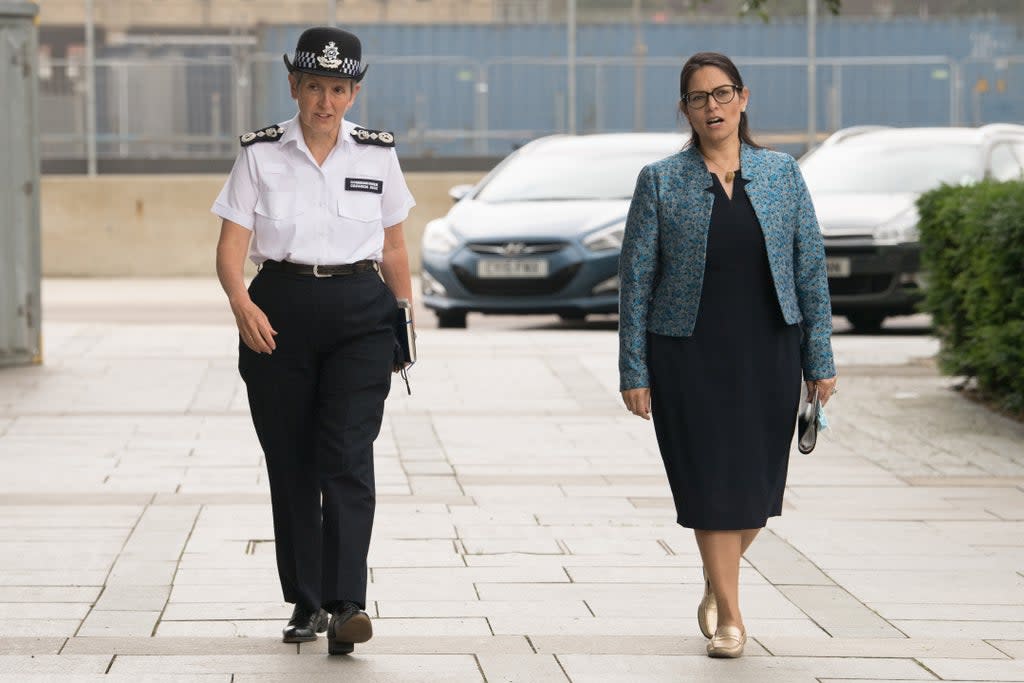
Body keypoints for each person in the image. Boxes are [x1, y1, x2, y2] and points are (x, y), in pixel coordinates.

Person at [618, 52, 837, 658]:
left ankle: (718, 580)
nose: (711, 107)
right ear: (684, 110)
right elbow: (636, 281)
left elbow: (809, 268)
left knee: (759, 489)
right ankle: (732, 618)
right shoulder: (661, 180)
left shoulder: (782, 174)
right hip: (687, 352)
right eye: (697, 98)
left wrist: (820, 359)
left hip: (771, 348)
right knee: (711, 482)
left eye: (721, 94)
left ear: (743, 98)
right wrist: (633, 369)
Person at [211, 26, 415, 656]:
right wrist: (241, 303)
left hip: (360, 313)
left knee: (348, 455)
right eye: (314, 87)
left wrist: (403, 320)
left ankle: (348, 602)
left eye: (338, 88)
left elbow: (395, 245)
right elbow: (230, 249)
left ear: (353, 93)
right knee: (293, 460)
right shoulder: (260, 154)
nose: (325, 101)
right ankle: (307, 599)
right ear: (294, 86)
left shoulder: (377, 156)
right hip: (280, 315)